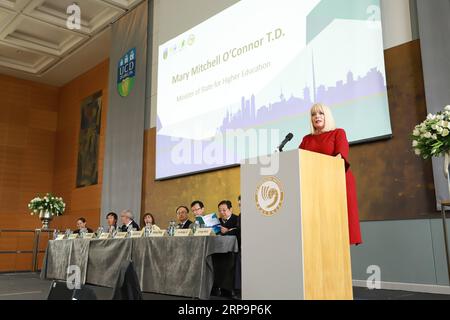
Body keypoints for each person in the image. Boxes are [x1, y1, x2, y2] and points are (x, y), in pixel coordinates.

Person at [299, 103, 362, 245]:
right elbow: (298, 161)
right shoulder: (306, 139)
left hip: (337, 182)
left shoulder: (338, 133)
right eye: (313, 114)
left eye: (320, 113)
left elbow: (340, 156)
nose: (317, 117)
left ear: (327, 116)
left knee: (337, 229)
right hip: (315, 186)